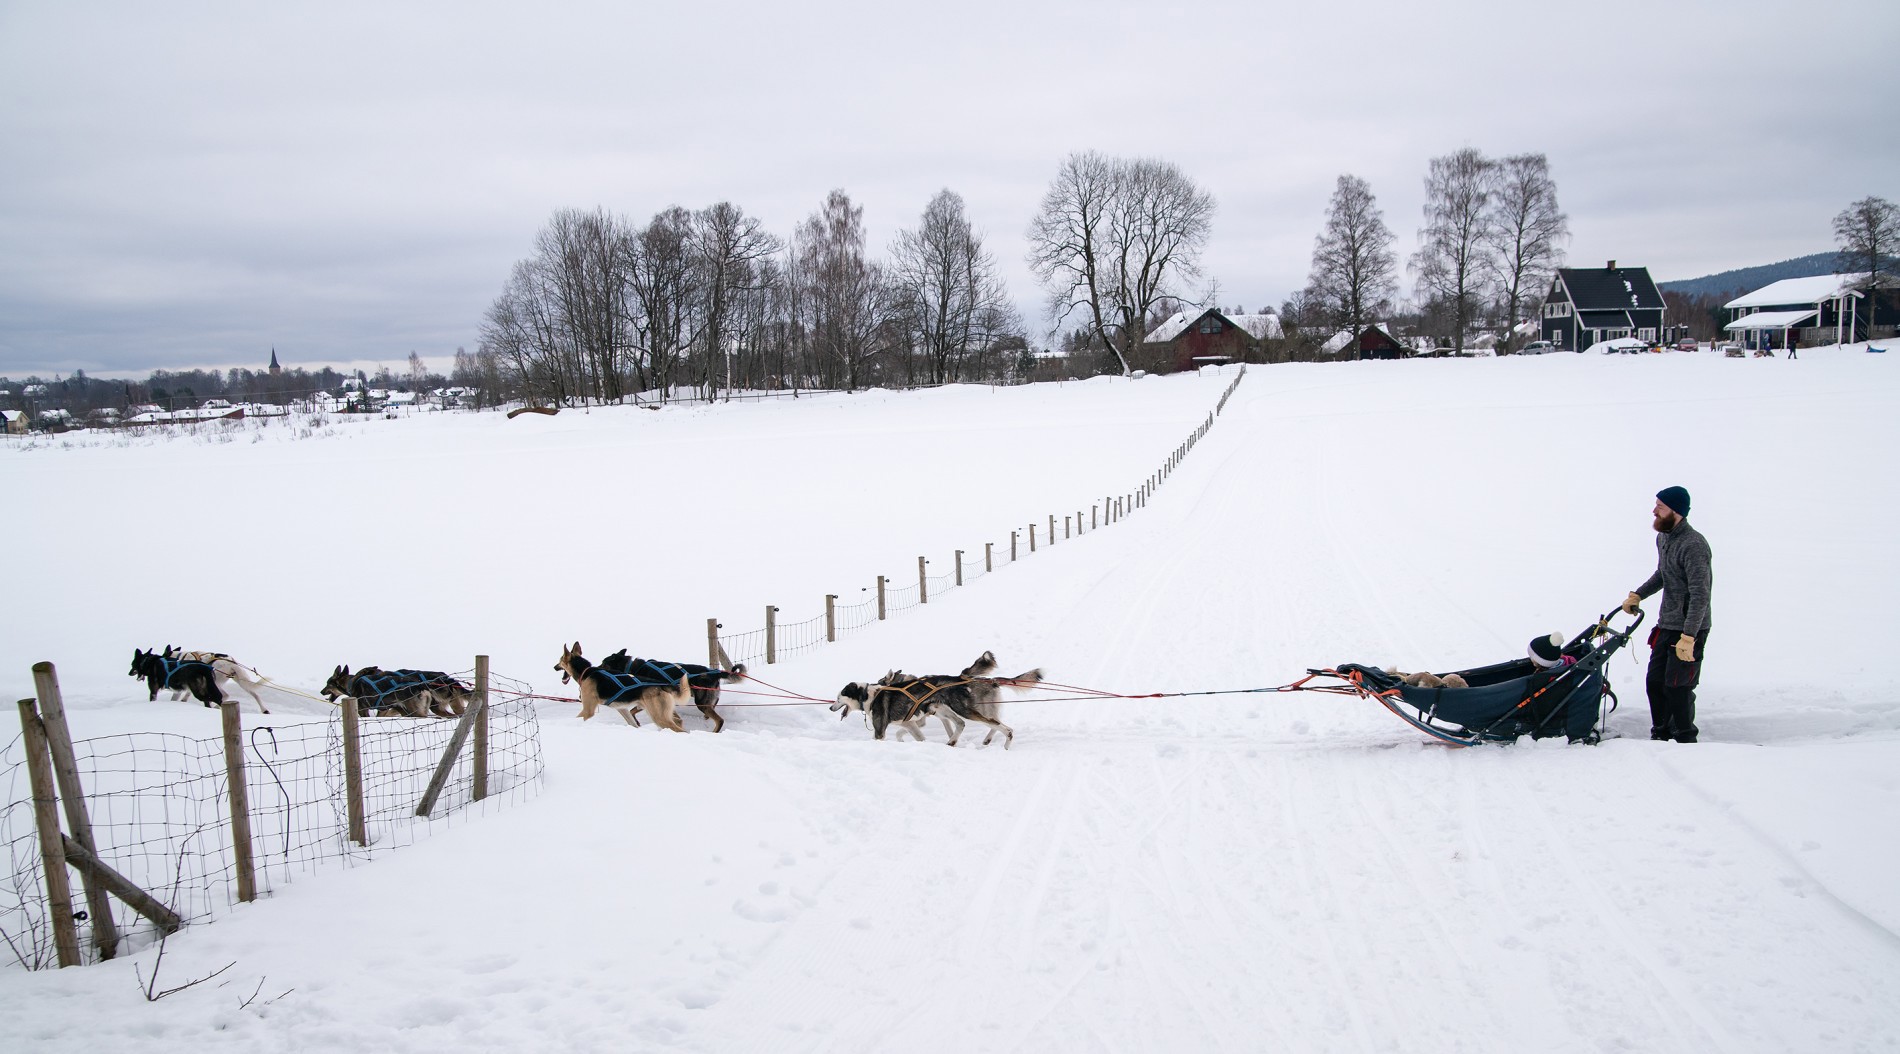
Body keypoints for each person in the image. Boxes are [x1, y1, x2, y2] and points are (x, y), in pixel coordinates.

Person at [1620, 486, 1713, 742]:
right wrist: (1638, 594)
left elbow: (1700, 595)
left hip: (1690, 628)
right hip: (1667, 622)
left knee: (1678, 687)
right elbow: (1664, 574)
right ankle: (1660, 733)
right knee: (1655, 683)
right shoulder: (1664, 538)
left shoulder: (1694, 545)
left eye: (1660, 507)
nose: (1654, 511)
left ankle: (1684, 737)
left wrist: (1689, 636)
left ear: (1676, 512)